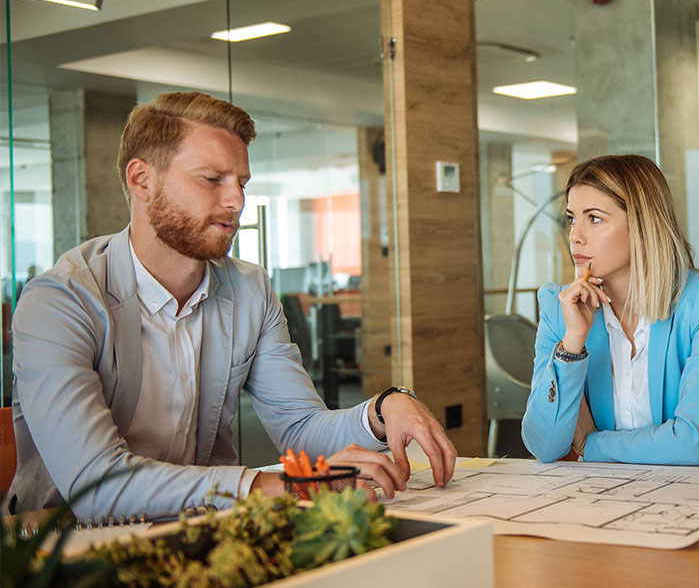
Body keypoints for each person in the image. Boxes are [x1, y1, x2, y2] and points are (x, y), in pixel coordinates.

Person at [10, 92, 457, 519]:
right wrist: (274, 488)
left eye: (241, 182)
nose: (237, 202)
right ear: (141, 180)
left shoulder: (250, 289)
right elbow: (97, 484)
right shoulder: (58, 302)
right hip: (64, 547)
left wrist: (380, 411)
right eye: (212, 180)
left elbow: (300, 429)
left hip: (205, 531)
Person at [521, 154, 699, 465]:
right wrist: (572, 342)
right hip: (608, 497)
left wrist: (591, 445)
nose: (575, 235)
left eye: (594, 218)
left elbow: (692, 445)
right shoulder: (559, 307)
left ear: (643, 225)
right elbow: (544, 446)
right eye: (572, 218)